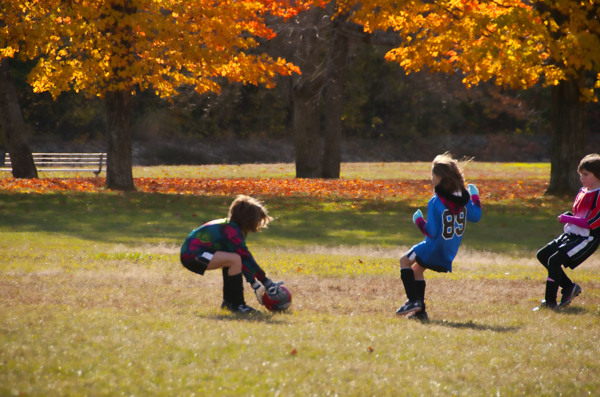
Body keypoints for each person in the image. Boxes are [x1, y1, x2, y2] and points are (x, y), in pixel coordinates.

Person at [396, 153, 482, 321]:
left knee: (404, 261)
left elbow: (432, 231)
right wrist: (475, 197)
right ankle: (420, 313)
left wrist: (419, 221)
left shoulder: (435, 202)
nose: (431, 178)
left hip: (432, 247)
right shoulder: (464, 200)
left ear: (441, 177)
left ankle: (413, 301)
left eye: (432, 175)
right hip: (448, 251)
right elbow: (476, 216)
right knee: (417, 270)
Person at [180, 195, 284, 313]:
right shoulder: (232, 232)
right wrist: (266, 282)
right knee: (234, 259)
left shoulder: (231, 227)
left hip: (196, 254)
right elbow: (246, 258)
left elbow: (243, 262)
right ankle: (238, 305)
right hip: (192, 257)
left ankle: (228, 303)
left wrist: (255, 283)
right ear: (248, 220)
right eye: (257, 220)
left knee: (232, 259)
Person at [535, 154, 600, 310]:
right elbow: (578, 214)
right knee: (543, 255)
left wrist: (568, 219)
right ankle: (569, 287)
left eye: (586, 174)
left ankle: (549, 302)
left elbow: (592, 223)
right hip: (572, 235)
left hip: (586, 238)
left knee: (555, 261)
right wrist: (570, 217)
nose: (582, 178)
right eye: (580, 174)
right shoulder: (582, 191)